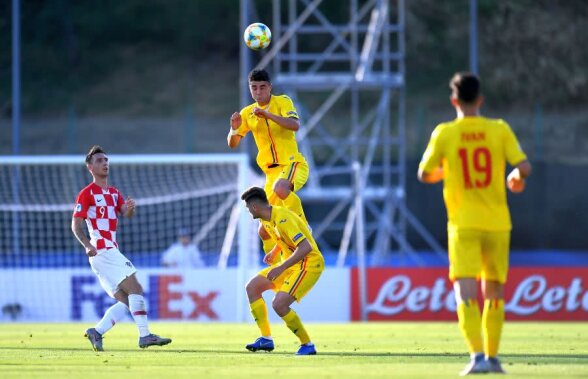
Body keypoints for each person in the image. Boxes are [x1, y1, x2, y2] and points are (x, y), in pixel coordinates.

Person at [418, 72, 532, 375]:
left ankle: (477, 357)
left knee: (465, 294)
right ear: (480, 100)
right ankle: (494, 359)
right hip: (497, 224)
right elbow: (524, 167)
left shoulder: (445, 133)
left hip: (463, 224)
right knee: (494, 294)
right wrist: (515, 179)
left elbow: (424, 173)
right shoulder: (498, 129)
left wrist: (447, 171)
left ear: (454, 100)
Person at [71, 145, 172, 351]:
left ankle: (96, 332)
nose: (105, 163)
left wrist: (130, 209)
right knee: (137, 289)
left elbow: (125, 213)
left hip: (106, 252)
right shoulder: (87, 193)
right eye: (99, 161)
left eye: (106, 160)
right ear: (90, 167)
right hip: (102, 250)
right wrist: (87, 244)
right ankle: (145, 336)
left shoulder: (115, 193)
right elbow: (76, 224)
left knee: (128, 302)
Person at [228, 69, 310, 260]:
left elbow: (295, 125)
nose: (258, 92)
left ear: (270, 87)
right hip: (271, 174)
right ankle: (278, 257)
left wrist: (267, 115)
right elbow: (233, 144)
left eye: (262, 87)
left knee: (281, 189)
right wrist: (233, 129)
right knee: (264, 231)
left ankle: (305, 229)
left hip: (292, 164)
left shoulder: (282, 101)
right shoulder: (247, 113)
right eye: (254, 88)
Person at [240, 186, 324, 355]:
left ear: (255, 207)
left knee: (279, 304)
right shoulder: (267, 219)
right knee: (252, 287)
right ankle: (266, 339)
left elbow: (305, 247)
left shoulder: (283, 218)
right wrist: (275, 252)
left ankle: (307, 344)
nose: (249, 212)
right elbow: (284, 237)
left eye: (248, 208)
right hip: (292, 263)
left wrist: (280, 267)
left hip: (309, 263)